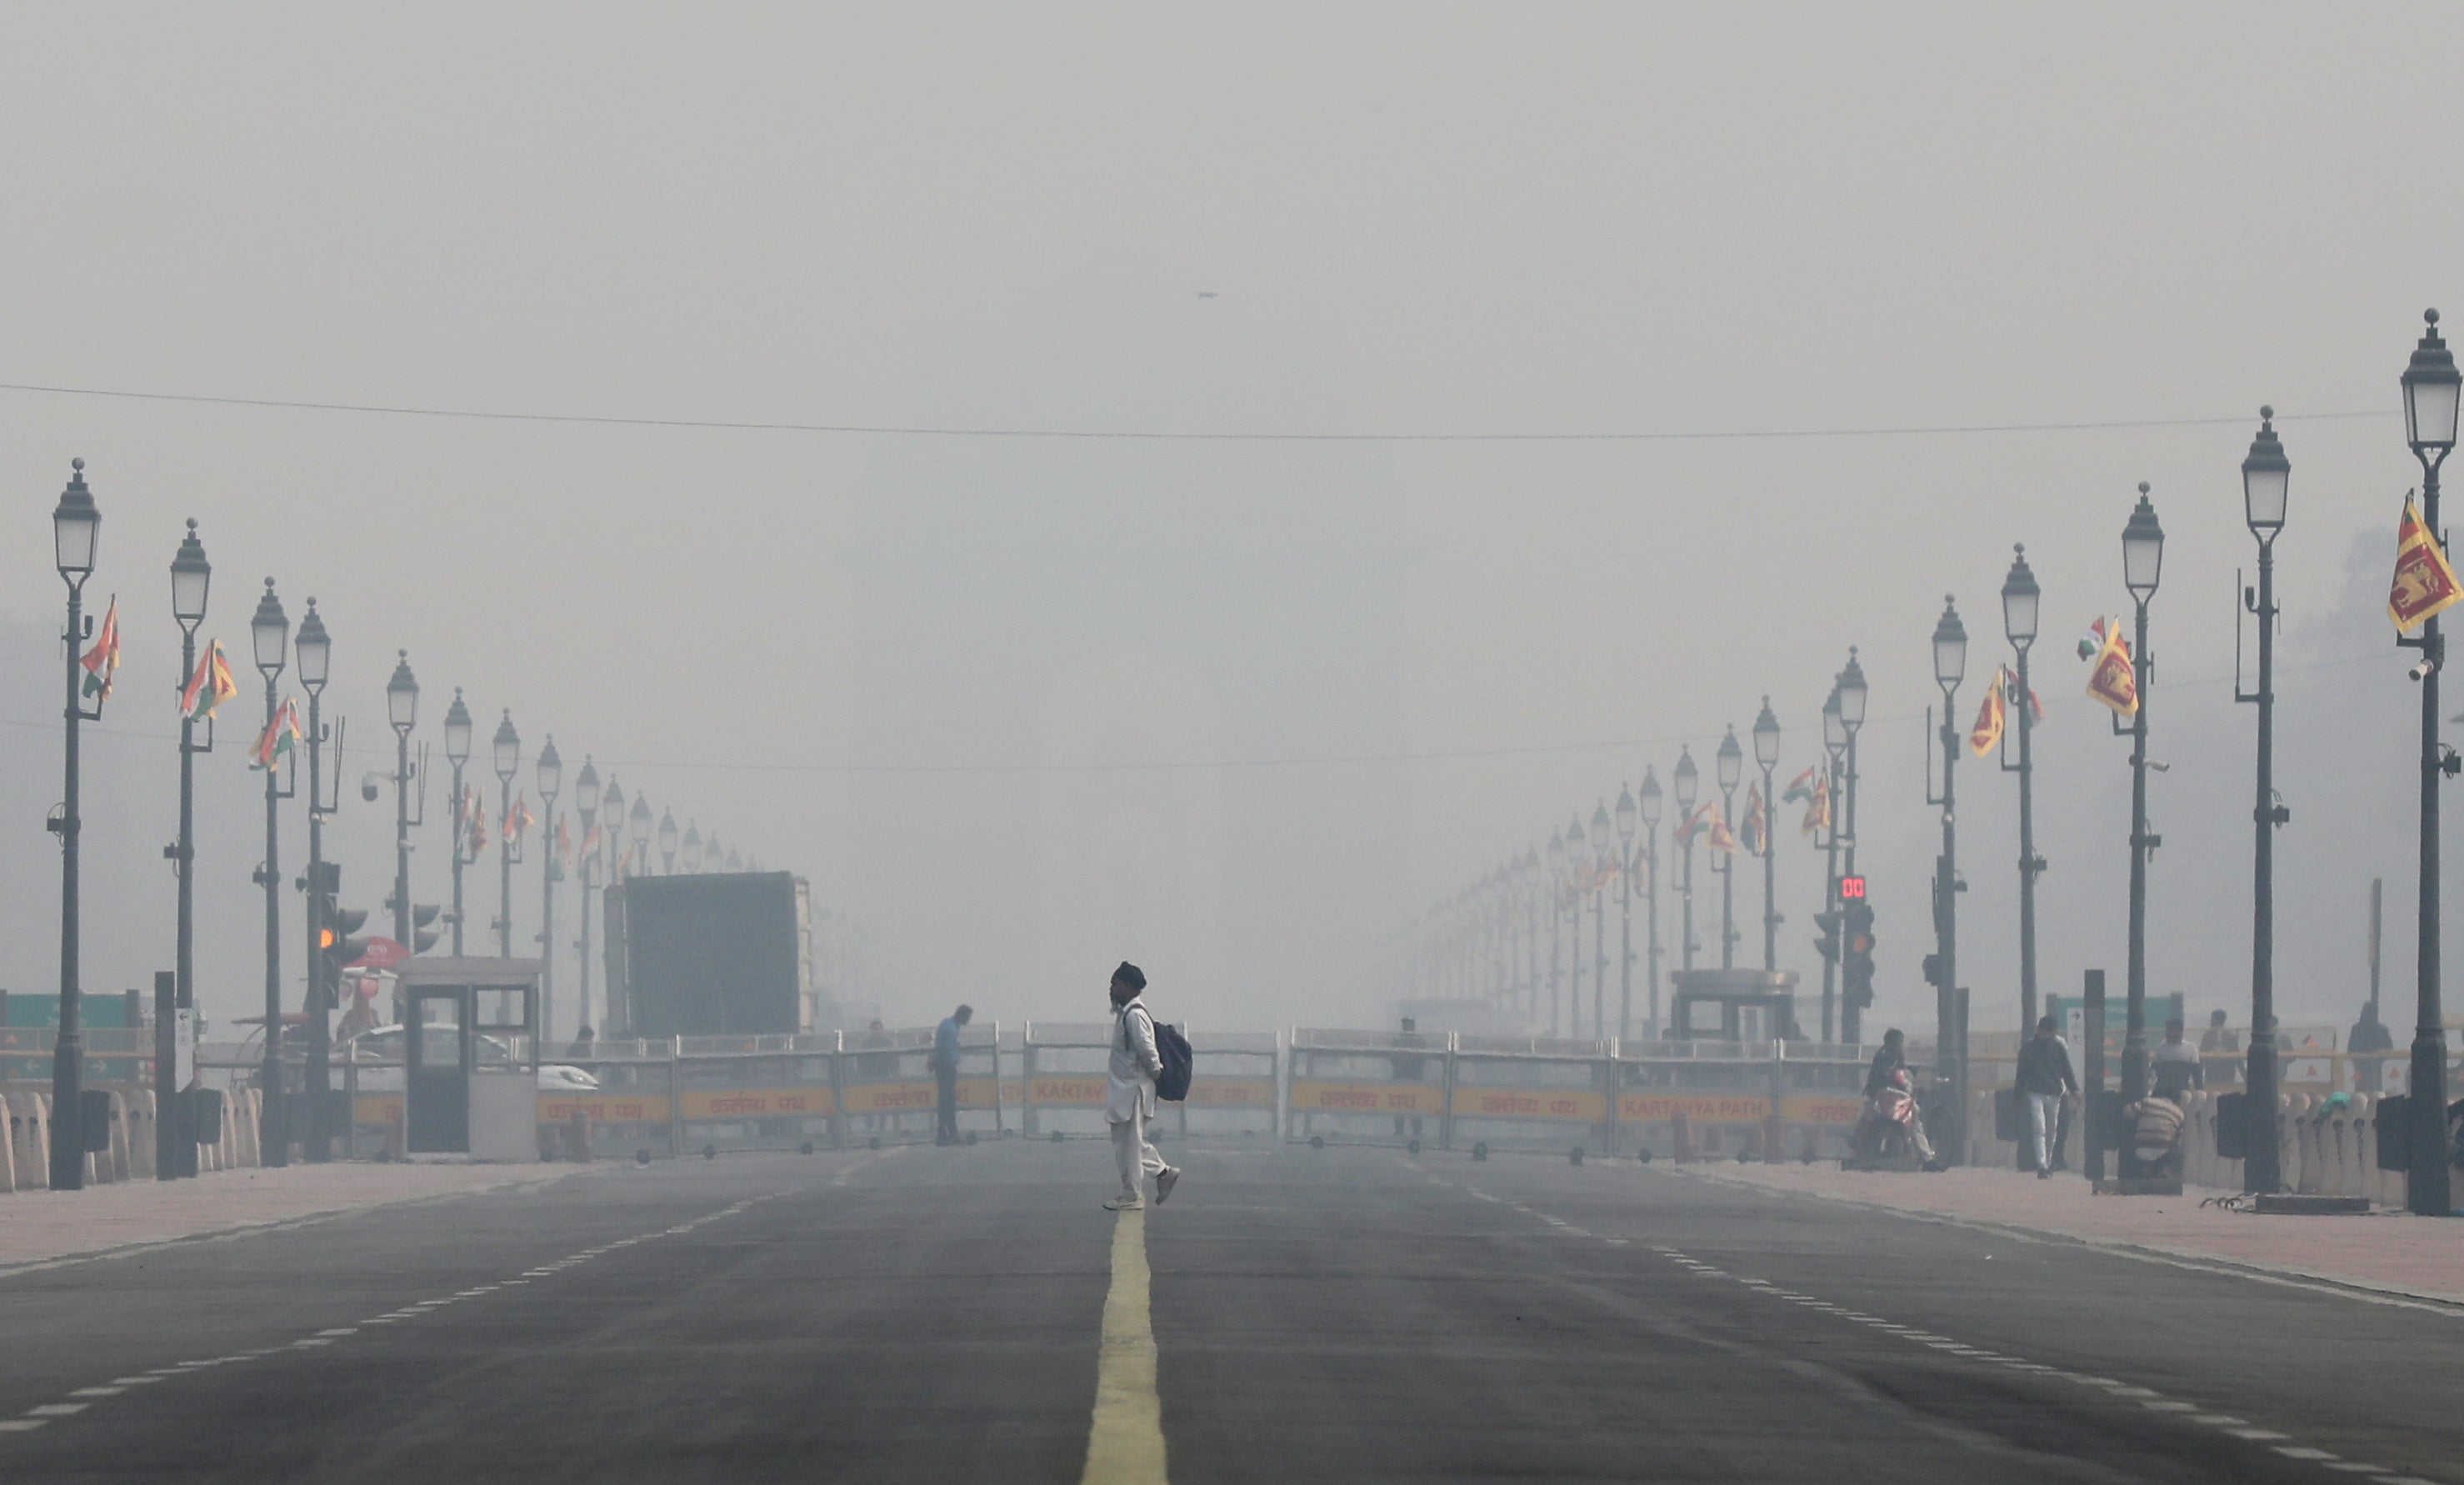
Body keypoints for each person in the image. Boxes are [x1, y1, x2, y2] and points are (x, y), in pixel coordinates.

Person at [1104, 962, 1179, 1211]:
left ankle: (1132, 1194)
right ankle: (1163, 1173)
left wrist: (1157, 1074)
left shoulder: (1135, 1016)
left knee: (1130, 1144)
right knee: (1130, 1143)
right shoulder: (1127, 1014)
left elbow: (1148, 1051)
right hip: (1126, 1090)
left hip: (1134, 1090)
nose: (1111, 989)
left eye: (1115, 984)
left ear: (1127, 986)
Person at [2016, 1015, 2078, 1180]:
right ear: (2039, 1030)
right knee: (2039, 1128)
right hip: (2035, 1093)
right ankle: (2042, 1164)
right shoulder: (2028, 1049)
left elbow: (2066, 1070)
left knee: (2052, 1129)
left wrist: (2074, 1090)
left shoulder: (2058, 1047)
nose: (2047, 1036)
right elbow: (2021, 1075)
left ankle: (2048, 1161)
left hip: (2054, 1093)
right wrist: (2018, 1096)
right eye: (2046, 1032)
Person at [2120, 1091, 2186, 1181]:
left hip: (2140, 1150)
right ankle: (2165, 1171)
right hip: (2164, 1153)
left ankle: (2147, 1169)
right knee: (2179, 1153)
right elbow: (2176, 1137)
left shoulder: (2147, 1102)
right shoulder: (2179, 1113)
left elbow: (2127, 1111)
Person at [932, 1004, 972, 1146]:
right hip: (946, 1067)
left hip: (942, 1067)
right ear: (964, 1016)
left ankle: (944, 1133)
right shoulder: (951, 1029)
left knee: (944, 1100)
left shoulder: (946, 1024)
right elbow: (945, 1049)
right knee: (948, 1101)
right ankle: (950, 1133)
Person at [2150, 1018, 2202, 1102]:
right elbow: (2153, 1072)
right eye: (2168, 1031)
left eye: (2172, 1031)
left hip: (2182, 1090)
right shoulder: (2160, 1048)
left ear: (2180, 1032)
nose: (2169, 1034)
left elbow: (2197, 1073)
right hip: (2162, 1090)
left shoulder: (2191, 1048)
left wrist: (2199, 1090)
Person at [1391, 1018, 1427, 1141]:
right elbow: (1392, 1057)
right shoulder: (1398, 1041)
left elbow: (1423, 1058)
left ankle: (1416, 1130)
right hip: (1405, 1076)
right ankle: (1400, 1129)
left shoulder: (1418, 1041)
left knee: (1416, 1103)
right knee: (1399, 1103)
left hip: (1412, 1076)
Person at [2350, 1000, 2395, 1093]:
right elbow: (2390, 1049)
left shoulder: (2357, 1029)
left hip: (2368, 1068)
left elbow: (2350, 1049)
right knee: (2375, 1094)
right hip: (2369, 1069)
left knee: (2362, 1095)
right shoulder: (2382, 1030)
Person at [1865, 1028, 1909, 1100]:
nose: (1901, 1044)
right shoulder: (1882, 1055)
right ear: (1891, 1042)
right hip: (1879, 1090)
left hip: (1895, 1090)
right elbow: (1883, 1074)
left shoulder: (1899, 1055)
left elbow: (1901, 1070)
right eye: (1899, 1041)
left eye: (1901, 1041)